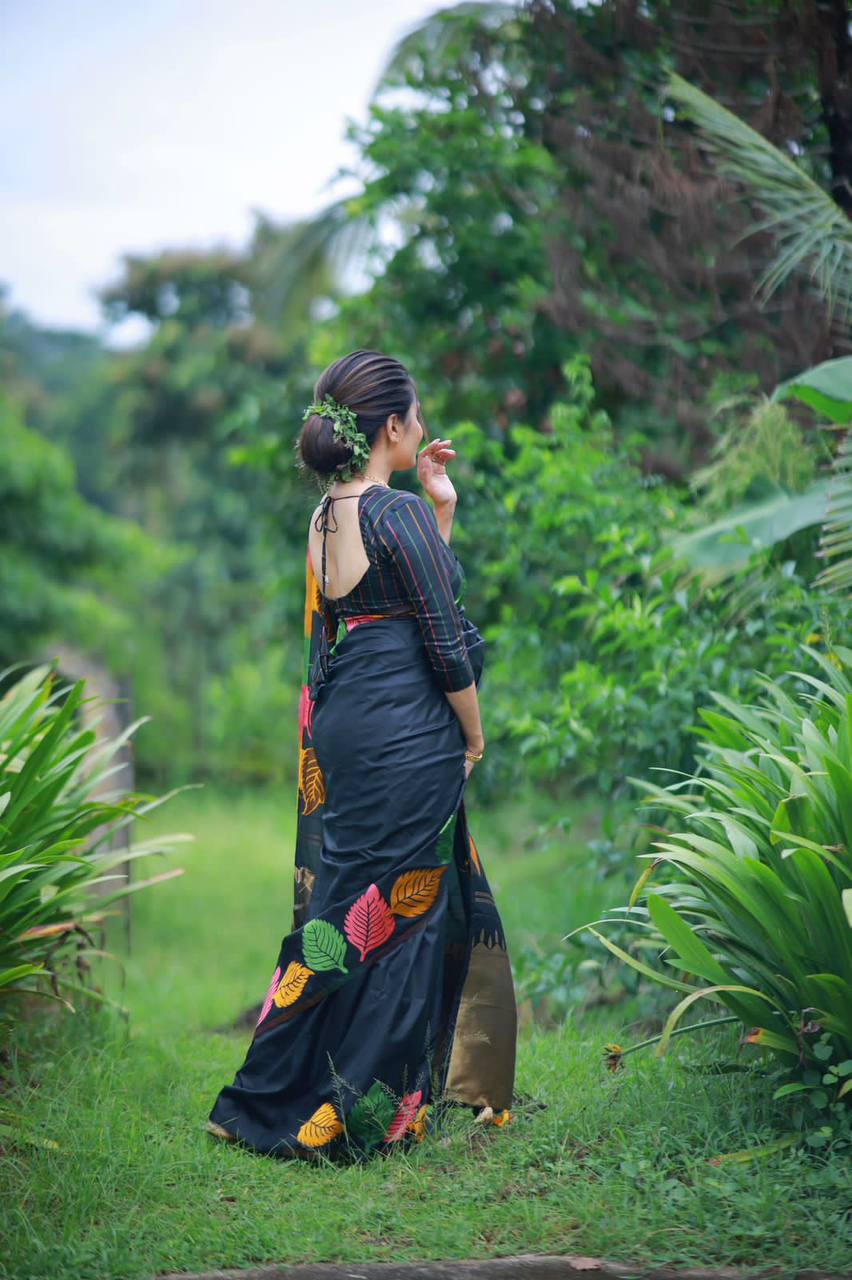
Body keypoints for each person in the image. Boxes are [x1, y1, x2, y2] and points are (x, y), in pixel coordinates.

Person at [206, 349, 517, 1161]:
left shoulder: (326, 517)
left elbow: (395, 605)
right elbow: (444, 640)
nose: (421, 433)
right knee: (404, 915)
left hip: (348, 719)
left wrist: (440, 510)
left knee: (343, 909)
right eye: (414, 420)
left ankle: (260, 1092)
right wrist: (474, 736)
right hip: (406, 723)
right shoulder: (394, 513)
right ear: (389, 427)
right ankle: (352, 1111)